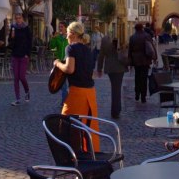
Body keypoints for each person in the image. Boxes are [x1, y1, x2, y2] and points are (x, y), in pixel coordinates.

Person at [54, 21, 100, 150]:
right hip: (90, 93)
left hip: (77, 93)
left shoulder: (71, 48)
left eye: (67, 33)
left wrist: (57, 63)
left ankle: (69, 155)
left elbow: (70, 69)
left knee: (66, 125)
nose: (66, 35)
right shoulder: (88, 50)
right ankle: (90, 154)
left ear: (73, 34)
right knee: (88, 127)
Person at [97, 31, 128, 118]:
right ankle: (116, 111)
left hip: (110, 67)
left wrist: (99, 69)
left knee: (115, 89)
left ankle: (115, 110)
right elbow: (126, 52)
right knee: (117, 89)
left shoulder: (105, 40)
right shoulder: (122, 38)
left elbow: (101, 55)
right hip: (120, 66)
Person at [9, 12, 33, 106]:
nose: (18, 20)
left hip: (23, 55)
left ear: (22, 18)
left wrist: (28, 54)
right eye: (16, 18)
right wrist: (12, 37)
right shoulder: (13, 27)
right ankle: (17, 99)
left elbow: (30, 41)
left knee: (21, 77)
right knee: (16, 78)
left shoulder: (26, 28)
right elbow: (10, 41)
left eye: (19, 18)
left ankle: (27, 91)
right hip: (15, 54)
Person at [128, 23, 156, 103]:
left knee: (137, 77)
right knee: (144, 78)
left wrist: (130, 61)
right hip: (145, 60)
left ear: (135, 29)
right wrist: (154, 58)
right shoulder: (147, 36)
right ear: (142, 28)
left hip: (136, 60)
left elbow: (130, 50)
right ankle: (143, 96)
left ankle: (137, 94)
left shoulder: (132, 37)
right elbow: (151, 48)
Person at [48, 23, 69, 103]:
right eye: (59, 27)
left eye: (62, 27)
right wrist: (53, 38)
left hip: (68, 62)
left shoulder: (68, 37)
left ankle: (69, 101)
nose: (60, 28)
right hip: (61, 63)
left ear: (65, 28)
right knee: (63, 84)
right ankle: (64, 102)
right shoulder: (57, 38)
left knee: (70, 84)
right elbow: (52, 47)